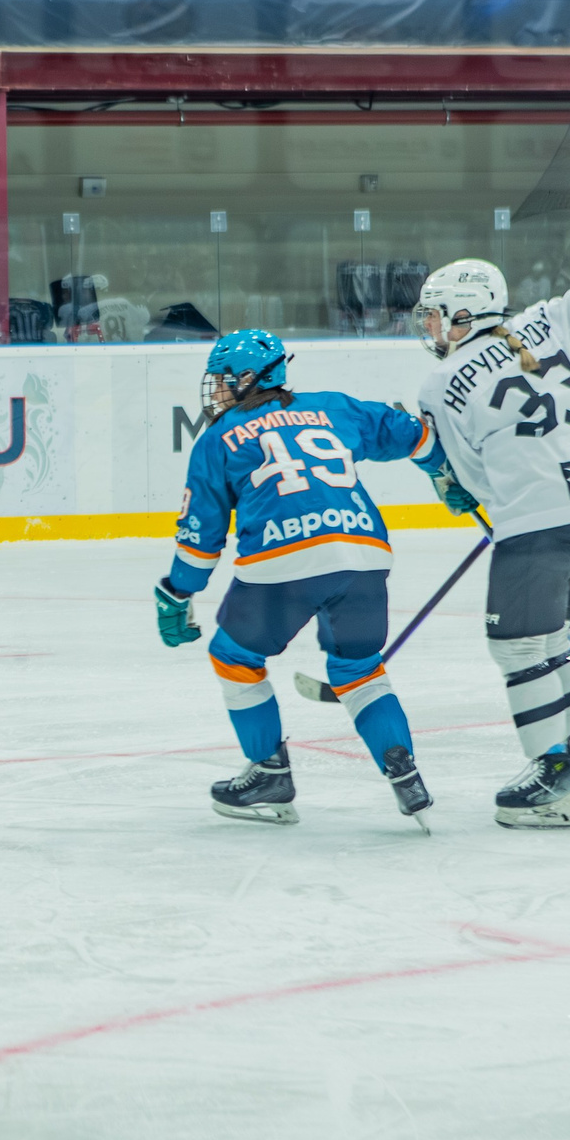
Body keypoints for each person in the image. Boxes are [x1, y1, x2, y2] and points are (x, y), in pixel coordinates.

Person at [154, 329, 445, 830]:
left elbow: (201, 537)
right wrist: (443, 473)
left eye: (223, 380)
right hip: (363, 555)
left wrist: (178, 591)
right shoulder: (334, 407)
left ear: (249, 378)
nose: (216, 390)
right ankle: (405, 773)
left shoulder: (219, 438)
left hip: (282, 563)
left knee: (234, 656)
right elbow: (415, 434)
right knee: (359, 669)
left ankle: (269, 772)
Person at [409, 259, 570, 830]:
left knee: (516, 649)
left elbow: (472, 476)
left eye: (436, 315)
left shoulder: (440, 383)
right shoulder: (546, 319)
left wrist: (462, 492)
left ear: (464, 314)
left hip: (539, 521)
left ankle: (552, 779)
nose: (430, 326)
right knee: (551, 639)